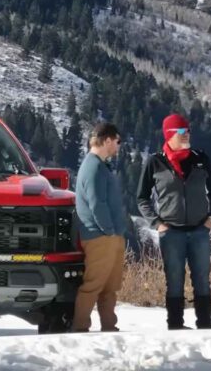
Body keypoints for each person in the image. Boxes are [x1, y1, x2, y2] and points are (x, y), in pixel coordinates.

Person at [136, 113, 211, 330]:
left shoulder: (200, 158)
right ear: (170, 134)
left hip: (200, 231)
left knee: (202, 280)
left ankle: (205, 326)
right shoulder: (155, 162)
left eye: (188, 130)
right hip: (171, 233)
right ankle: (175, 327)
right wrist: (156, 223)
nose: (187, 135)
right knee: (174, 281)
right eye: (182, 131)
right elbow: (142, 198)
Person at [72, 122, 126, 333]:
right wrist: (109, 230)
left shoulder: (99, 166)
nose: (119, 146)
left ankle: (109, 326)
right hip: (99, 237)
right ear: (107, 140)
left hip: (108, 236)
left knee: (109, 287)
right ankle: (80, 327)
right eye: (117, 141)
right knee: (93, 285)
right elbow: (97, 204)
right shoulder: (93, 167)